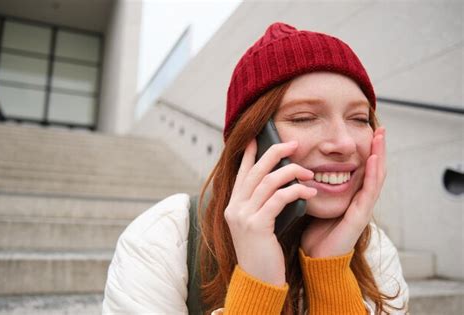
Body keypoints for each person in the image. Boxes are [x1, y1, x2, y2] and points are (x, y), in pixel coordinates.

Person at [102, 22, 409, 314]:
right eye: (304, 117)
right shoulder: (164, 238)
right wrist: (257, 285)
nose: (343, 143)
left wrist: (330, 271)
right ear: (253, 138)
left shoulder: (376, 252)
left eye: (358, 119)